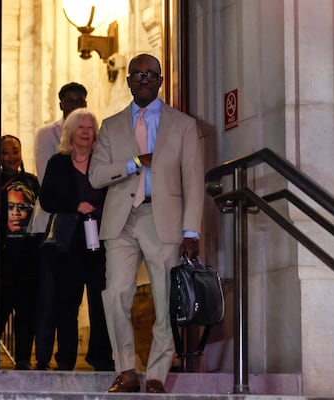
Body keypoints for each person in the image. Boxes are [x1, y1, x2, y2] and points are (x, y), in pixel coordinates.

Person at [88, 54, 204, 393]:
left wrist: (191, 230)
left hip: (163, 218)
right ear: (128, 81)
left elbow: (194, 181)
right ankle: (126, 369)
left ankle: (156, 374)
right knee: (115, 295)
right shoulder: (110, 125)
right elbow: (95, 176)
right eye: (137, 75)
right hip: (121, 220)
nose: (143, 79)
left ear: (160, 80)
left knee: (165, 297)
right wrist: (133, 163)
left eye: (150, 74)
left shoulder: (183, 125)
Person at [36, 108, 114, 371]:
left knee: (101, 302)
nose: (85, 132)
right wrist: (75, 204)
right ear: (70, 132)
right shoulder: (58, 162)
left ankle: (100, 355)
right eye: (80, 127)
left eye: (90, 127)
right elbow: (46, 199)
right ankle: (66, 357)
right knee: (67, 303)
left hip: (100, 240)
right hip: (68, 242)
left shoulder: (103, 162)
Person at [0, 135, 42, 370]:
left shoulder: (32, 182)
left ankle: (23, 358)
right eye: (4, 152)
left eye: (15, 151)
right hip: (0, 257)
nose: (11, 156)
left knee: (27, 310)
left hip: (29, 257)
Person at [34, 82, 88, 184]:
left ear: (85, 105)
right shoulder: (46, 134)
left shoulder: (94, 133)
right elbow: (44, 176)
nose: (75, 106)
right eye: (70, 101)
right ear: (61, 105)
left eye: (80, 101)